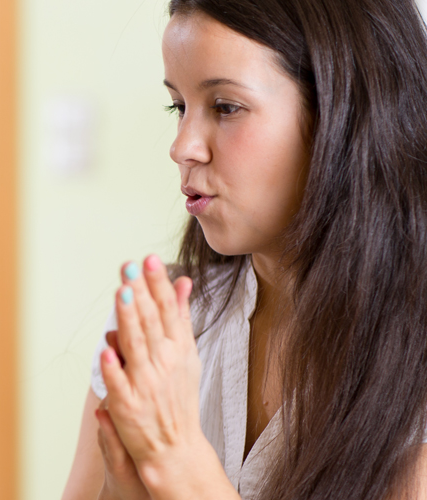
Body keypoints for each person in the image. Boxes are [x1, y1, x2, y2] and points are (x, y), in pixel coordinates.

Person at [62, 0, 427, 499]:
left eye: (226, 107)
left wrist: (180, 465)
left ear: (343, 115)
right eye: (178, 106)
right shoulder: (162, 328)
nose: (183, 146)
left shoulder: (413, 365)